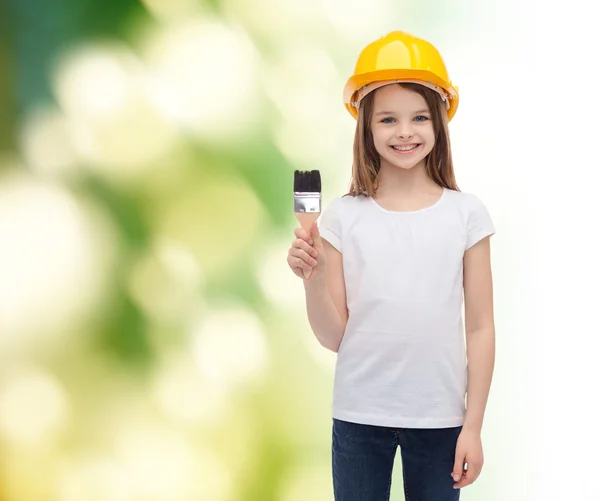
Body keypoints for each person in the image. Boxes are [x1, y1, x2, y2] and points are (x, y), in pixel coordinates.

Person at [287, 31, 496, 500]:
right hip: (360, 417)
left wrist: (473, 425)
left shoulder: (467, 214)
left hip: (442, 421)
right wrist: (312, 278)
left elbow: (481, 327)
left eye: (419, 116)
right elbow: (334, 337)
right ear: (366, 127)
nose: (405, 131)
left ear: (440, 121)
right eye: (388, 119)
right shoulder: (341, 217)